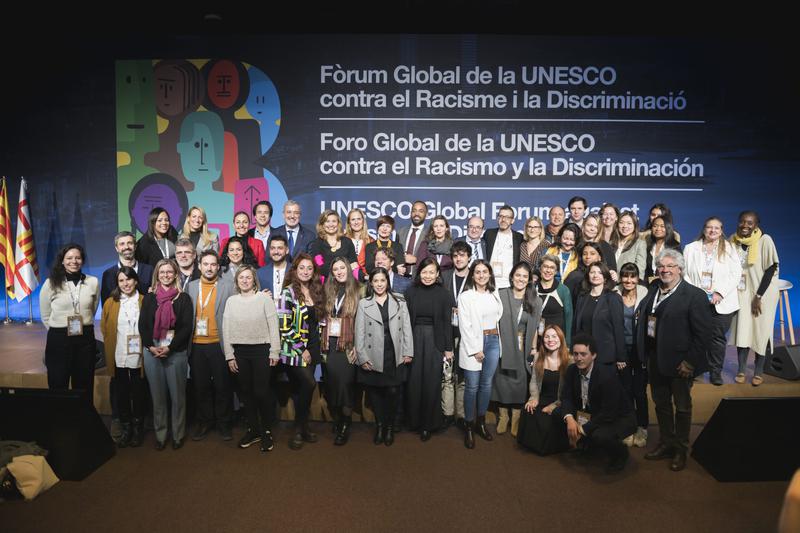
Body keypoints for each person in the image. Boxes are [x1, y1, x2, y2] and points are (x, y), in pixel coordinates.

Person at [637, 249, 712, 471]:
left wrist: (690, 362)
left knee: (682, 407)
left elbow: (703, 334)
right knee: (661, 405)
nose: (665, 270)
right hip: (655, 360)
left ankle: (681, 449)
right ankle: (666, 442)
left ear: (680, 269)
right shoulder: (653, 289)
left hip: (681, 364)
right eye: (661, 266)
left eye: (670, 266)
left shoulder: (694, 295)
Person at [223, 265, 281, 453]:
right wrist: (229, 355)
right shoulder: (231, 301)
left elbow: (273, 326)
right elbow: (226, 328)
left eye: (249, 277)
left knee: (261, 392)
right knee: (246, 393)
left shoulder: (264, 299)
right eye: (242, 278)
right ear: (237, 281)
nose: (245, 280)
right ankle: (253, 430)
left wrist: (275, 351)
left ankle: (266, 431)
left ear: (254, 280)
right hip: (240, 351)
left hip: (262, 351)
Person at [560, 334, 637, 474]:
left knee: (600, 435)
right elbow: (566, 397)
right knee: (559, 414)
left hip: (619, 417)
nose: (578, 358)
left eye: (583, 354)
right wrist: (570, 418)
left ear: (594, 355)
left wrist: (582, 430)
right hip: (593, 412)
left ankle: (621, 454)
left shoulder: (607, 375)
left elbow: (609, 413)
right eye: (576, 354)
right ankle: (588, 446)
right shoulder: (571, 370)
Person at [139, 259, 194, 450]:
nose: (166, 275)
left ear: (175, 274)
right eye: (162, 272)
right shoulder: (149, 298)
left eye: (169, 272)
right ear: (157, 275)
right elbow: (143, 325)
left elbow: (186, 328)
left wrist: (170, 348)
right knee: (158, 397)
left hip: (175, 352)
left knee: (178, 397)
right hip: (152, 351)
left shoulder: (183, 298)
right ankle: (161, 435)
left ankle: (178, 435)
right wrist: (150, 346)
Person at [355, 267, 413, 446]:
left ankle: (389, 426)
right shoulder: (364, 303)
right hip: (373, 354)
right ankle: (380, 426)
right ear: (371, 283)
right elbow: (360, 333)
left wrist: (408, 351)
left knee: (393, 391)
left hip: (393, 353)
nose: (379, 284)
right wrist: (362, 357)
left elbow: (407, 327)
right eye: (376, 281)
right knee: (375, 393)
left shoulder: (400, 301)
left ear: (387, 282)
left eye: (383, 280)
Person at [683, 216, 742, 385]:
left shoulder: (729, 248)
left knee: (717, 338)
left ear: (721, 231)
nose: (712, 231)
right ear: (704, 229)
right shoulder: (691, 248)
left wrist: (720, 293)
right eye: (709, 227)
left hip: (722, 302)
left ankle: (715, 372)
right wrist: (697, 295)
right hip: (696, 300)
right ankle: (695, 369)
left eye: (716, 228)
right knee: (695, 336)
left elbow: (735, 274)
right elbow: (685, 273)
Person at [40, 244, 101, 404]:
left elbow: (92, 310)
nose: (74, 261)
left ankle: (82, 423)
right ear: (62, 261)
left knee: (84, 384)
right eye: (69, 258)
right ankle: (60, 424)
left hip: (85, 338)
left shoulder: (93, 282)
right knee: (58, 382)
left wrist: (82, 323)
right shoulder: (50, 283)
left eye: (78, 258)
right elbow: (45, 315)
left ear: (82, 260)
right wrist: (59, 330)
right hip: (59, 339)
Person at [276, 253, 326, 450]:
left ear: (313, 272)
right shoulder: (288, 293)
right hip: (293, 349)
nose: (305, 271)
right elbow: (284, 325)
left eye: (309, 268)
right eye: (302, 268)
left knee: (302, 389)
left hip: (314, 346)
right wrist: (301, 348)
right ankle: (298, 428)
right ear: (295, 270)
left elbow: (319, 321)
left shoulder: (316, 291)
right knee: (308, 383)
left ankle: (303, 427)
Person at [186, 251, 236, 441]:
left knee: (223, 386)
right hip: (197, 345)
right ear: (199, 266)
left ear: (218, 267)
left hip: (219, 344)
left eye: (213, 264)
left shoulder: (228, 287)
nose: (209, 268)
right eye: (205, 264)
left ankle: (224, 423)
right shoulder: (190, 287)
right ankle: (205, 421)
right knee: (201, 387)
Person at [404, 257, 455, 441]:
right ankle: (413, 421)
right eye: (424, 272)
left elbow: (448, 324)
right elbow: (404, 321)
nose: (427, 276)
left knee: (432, 382)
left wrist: (448, 349)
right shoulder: (410, 292)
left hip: (436, 340)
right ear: (419, 273)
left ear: (438, 274)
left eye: (431, 272)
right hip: (414, 339)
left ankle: (428, 424)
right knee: (414, 381)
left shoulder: (444, 294)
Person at [729, 210, 780, 386]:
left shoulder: (765, 240)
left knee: (760, 331)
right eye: (742, 221)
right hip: (742, 293)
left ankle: (758, 371)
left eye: (750, 223)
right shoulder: (733, 240)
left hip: (763, 293)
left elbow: (771, 269)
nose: (745, 225)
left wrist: (758, 296)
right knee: (742, 331)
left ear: (756, 225)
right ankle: (741, 369)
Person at [493, 262, 542, 438]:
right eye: (518, 275)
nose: (521, 279)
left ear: (529, 280)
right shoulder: (500, 295)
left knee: (519, 381)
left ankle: (516, 416)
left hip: (522, 345)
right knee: (501, 379)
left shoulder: (535, 299)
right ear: (512, 276)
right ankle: (503, 415)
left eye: (524, 276)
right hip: (502, 344)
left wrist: (534, 348)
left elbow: (536, 327)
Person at [458, 259, 503, 449]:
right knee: (472, 387)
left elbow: (497, 319)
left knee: (486, 385)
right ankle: (469, 426)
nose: (482, 275)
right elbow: (464, 325)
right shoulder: (466, 296)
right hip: (475, 344)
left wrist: (490, 344)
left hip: (493, 341)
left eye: (485, 271)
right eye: (477, 272)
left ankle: (481, 423)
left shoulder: (495, 293)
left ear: (490, 274)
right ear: (472, 275)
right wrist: (476, 349)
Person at [100, 267, 145, 447]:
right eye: (121, 281)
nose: (125, 284)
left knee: (139, 392)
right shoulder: (110, 302)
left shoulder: (144, 300)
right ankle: (126, 427)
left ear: (135, 281)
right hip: (118, 353)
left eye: (129, 279)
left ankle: (138, 427)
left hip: (139, 354)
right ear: (117, 284)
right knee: (122, 393)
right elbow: (104, 328)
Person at [321, 256, 361, 445]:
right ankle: (337, 417)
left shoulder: (359, 290)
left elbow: (363, 323)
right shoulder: (328, 290)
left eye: (342, 268)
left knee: (345, 386)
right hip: (329, 346)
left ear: (348, 269)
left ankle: (345, 423)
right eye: (335, 269)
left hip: (348, 347)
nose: (339, 272)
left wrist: (358, 347)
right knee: (331, 385)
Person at [517, 324, 570, 455]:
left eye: (554, 336)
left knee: (546, 422)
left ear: (561, 339)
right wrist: (533, 398)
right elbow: (534, 381)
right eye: (547, 337)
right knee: (528, 411)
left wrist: (554, 406)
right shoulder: (537, 357)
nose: (550, 340)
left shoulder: (569, 361)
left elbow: (568, 393)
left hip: (559, 401)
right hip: (542, 398)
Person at [616, 262, 650, 448]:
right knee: (625, 389)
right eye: (625, 276)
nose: (629, 280)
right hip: (622, 351)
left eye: (632, 276)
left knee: (639, 391)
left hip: (640, 350)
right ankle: (628, 426)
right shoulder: (614, 295)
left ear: (638, 278)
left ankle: (642, 427)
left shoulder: (645, 295)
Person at [572, 262, 626, 368]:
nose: (595, 275)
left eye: (599, 273)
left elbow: (618, 328)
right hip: (584, 355)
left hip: (605, 356)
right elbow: (576, 327)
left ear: (605, 277)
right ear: (588, 276)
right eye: (592, 272)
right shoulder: (582, 298)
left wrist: (621, 356)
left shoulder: (613, 298)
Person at [441, 241, 471, 427]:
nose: (459, 259)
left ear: (469, 257)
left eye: (462, 255)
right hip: (447, 332)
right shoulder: (445, 276)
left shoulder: (475, 277)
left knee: (463, 377)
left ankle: (461, 414)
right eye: (456, 256)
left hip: (467, 334)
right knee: (447, 375)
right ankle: (447, 413)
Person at [100, 231, 153, 304]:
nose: (126, 247)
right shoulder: (108, 274)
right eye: (122, 244)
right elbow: (106, 305)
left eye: (130, 243)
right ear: (116, 248)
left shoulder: (149, 270)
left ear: (135, 246)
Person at [307, 209, 358, 279]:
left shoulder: (347, 242)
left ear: (338, 223)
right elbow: (319, 266)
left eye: (334, 221)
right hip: (325, 285)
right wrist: (341, 270)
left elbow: (354, 265)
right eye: (327, 221)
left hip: (347, 283)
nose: (331, 224)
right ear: (322, 224)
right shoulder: (317, 243)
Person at [536, 254, 573, 345]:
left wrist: (567, 343)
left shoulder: (563, 290)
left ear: (556, 271)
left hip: (556, 340)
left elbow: (569, 318)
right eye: (545, 266)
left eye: (552, 268)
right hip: (536, 339)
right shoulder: (532, 288)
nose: (548, 270)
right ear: (540, 268)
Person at [484, 204, 524, 289]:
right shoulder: (489, 234)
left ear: (512, 220)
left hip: (509, 285)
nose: (503, 220)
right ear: (497, 218)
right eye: (501, 216)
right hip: (488, 283)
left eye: (507, 217)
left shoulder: (519, 237)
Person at [563, 242, 614, 306]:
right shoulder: (575, 276)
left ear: (599, 257)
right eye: (584, 254)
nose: (588, 257)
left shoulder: (606, 275)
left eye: (592, 254)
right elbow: (565, 300)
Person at [396, 200, 429, 277]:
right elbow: (395, 254)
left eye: (421, 211)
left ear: (426, 215)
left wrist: (416, 260)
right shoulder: (400, 232)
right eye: (414, 211)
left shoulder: (430, 234)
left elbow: (433, 258)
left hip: (420, 277)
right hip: (401, 277)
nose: (416, 214)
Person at [644, 215, 681, 282]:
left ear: (668, 228)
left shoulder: (674, 246)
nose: (658, 229)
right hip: (649, 285)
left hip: (669, 283)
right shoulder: (647, 246)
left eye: (662, 226)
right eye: (655, 226)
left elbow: (678, 269)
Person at [614, 211, 647, 280]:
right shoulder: (611, 242)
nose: (625, 226)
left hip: (627, 284)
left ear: (635, 226)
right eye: (621, 222)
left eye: (629, 223)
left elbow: (640, 271)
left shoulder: (640, 244)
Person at [257, 234, 290, 301]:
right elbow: (254, 296)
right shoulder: (260, 273)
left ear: (287, 250)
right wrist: (260, 296)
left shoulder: (295, 271)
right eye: (273, 248)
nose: (276, 252)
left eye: (280, 248)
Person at [345, 208, 374, 279]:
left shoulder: (371, 241)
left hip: (365, 280)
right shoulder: (342, 240)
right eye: (353, 219)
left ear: (363, 221)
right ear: (349, 223)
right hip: (346, 279)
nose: (356, 222)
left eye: (359, 219)